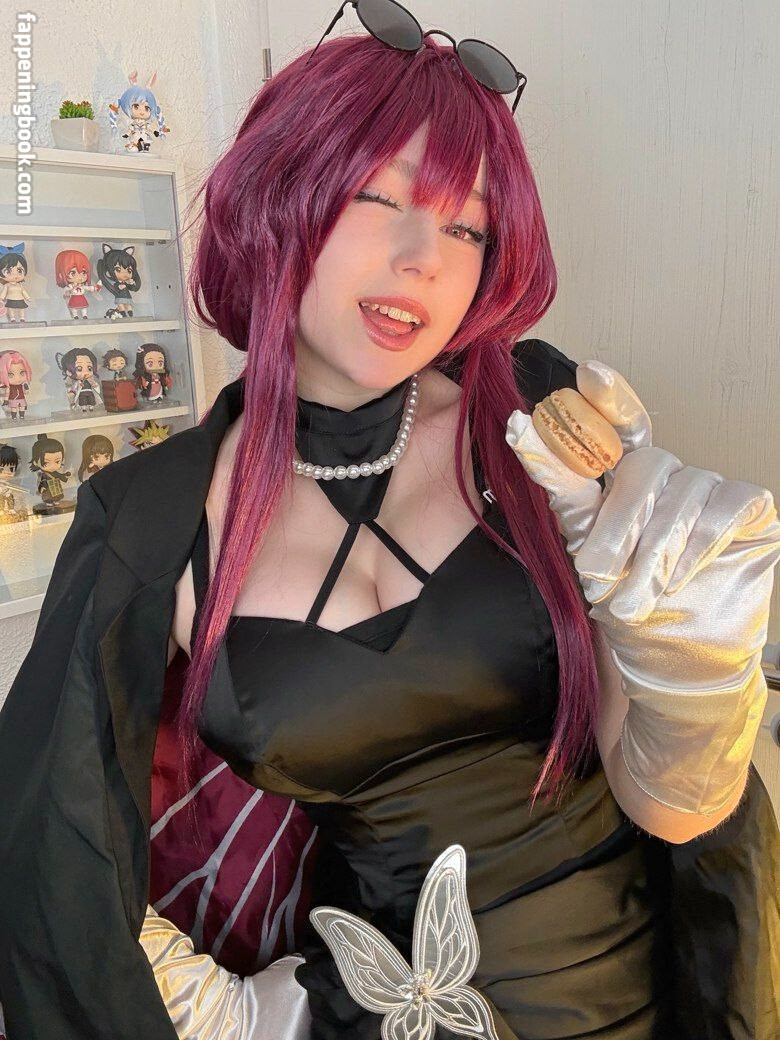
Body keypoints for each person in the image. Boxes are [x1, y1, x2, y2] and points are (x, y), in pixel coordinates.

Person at [0, 19, 778, 1040]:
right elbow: (54, 845)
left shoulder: (531, 422)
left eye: (469, 228)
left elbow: (675, 811)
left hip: (641, 1005)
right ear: (280, 194)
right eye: (380, 198)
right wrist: (231, 1017)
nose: (424, 261)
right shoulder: (152, 517)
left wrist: (697, 666)